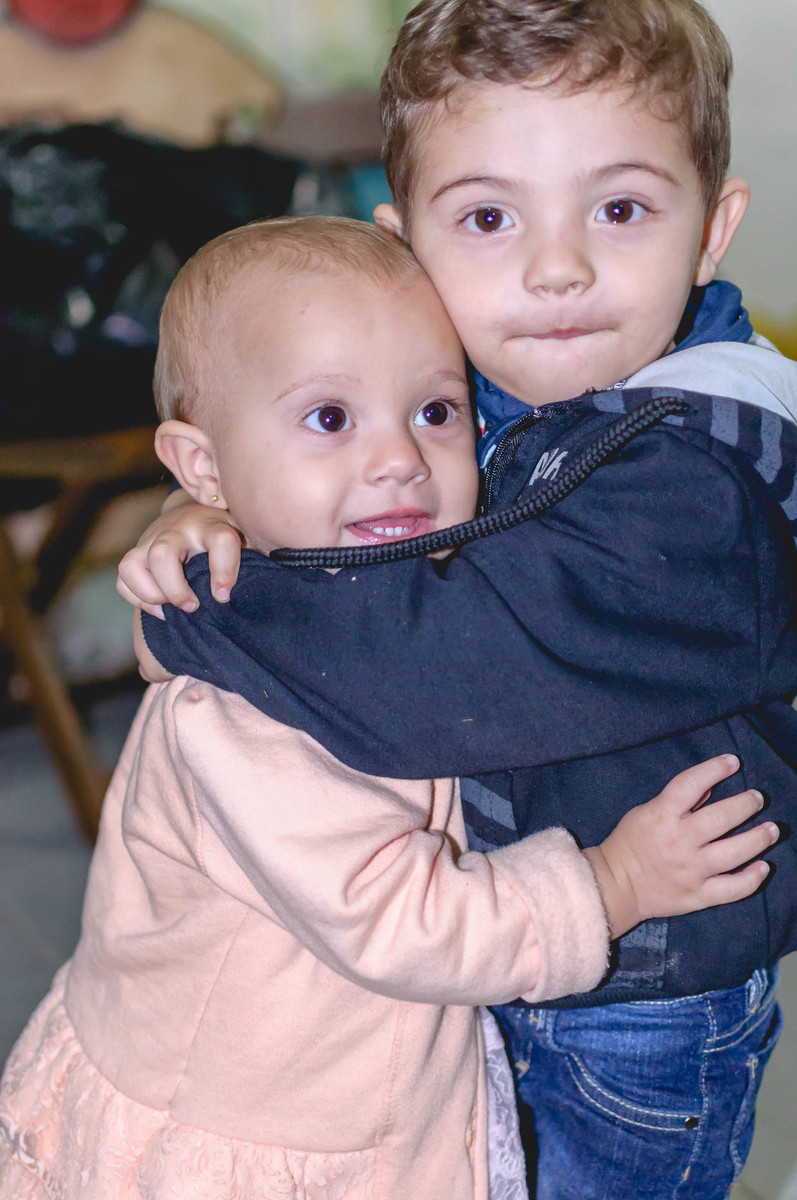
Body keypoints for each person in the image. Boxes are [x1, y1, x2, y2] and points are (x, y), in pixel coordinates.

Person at [117, 3, 797, 1197]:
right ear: (408, 251)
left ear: (709, 232)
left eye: (619, 210)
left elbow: (433, 671)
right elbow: (320, 479)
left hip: (638, 1000)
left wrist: (205, 607)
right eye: (487, 218)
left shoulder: (701, 475)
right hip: (504, 941)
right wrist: (206, 520)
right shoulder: (476, 393)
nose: (554, 268)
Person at [1, 217, 775, 1200]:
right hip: (260, 1131)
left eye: (436, 411)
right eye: (330, 418)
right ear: (203, 466)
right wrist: (609, 884)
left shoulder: (352, 592)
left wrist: (190, 516)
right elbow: (399, 922)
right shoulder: (255, 714)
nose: (399, 458)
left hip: (331, 1077)